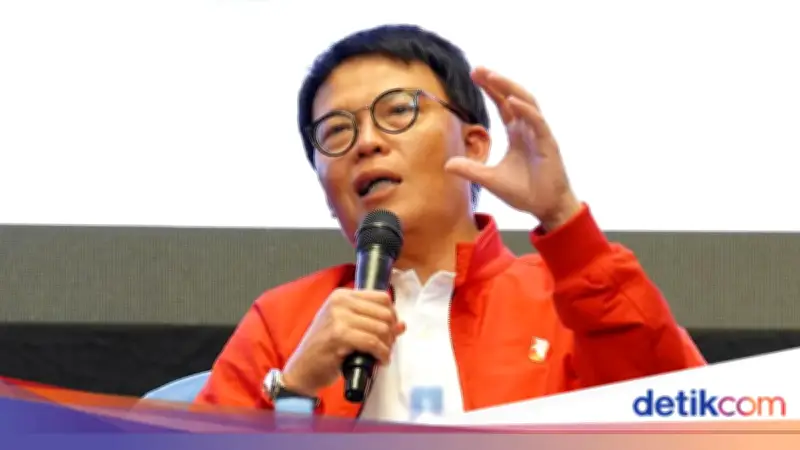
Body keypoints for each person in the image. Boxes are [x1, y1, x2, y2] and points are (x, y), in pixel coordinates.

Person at [194, 24, 706, 421]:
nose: (366, 142)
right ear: (327, 193)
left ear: (474, 146)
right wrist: (292, 392)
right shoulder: (284, 322)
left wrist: (562, 217)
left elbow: (685, 420)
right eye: (335, 132)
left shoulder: (567, 299)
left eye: (398, 111)